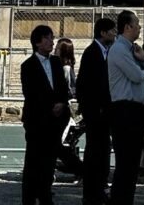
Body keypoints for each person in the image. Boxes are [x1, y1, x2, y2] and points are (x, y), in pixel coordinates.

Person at [107, 10, 144, 205]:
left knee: (132, 163)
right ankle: (120, 200)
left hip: (136, 110)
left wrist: (143, 60)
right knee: (126, 163)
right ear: (127, 27)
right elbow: (137, 75)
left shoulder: (132, 49)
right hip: (124, 110)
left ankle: (126, 199)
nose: (139, 27)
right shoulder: (118, 49)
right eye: (137, 23)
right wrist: (142, 70)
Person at [21, 24, 71, 205]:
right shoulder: (28, 66)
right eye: (47, 38)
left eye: (52, 38)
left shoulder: (56, 62)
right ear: (37, 42)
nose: (52, 41)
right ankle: (29, 198)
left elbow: (63, 88)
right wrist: (51, 105)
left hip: (55, 122)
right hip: (37, 121)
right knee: (33, 163)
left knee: (49, 163)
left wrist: (62, 103)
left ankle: (45, 196)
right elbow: (31, 94)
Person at [77, 17, 117, 205]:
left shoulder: (108, 52)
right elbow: (85, 85)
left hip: (106, 111)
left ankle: (100, 187)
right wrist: (91, 110)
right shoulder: (91, 53)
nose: (114, 34)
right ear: (103, 33)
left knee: (103, 151)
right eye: (111, 31)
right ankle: (91, 191)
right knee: (95, 151)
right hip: (95, 112)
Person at [54, 37, 84, 178]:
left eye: (58, 49)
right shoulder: (62, 67)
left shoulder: (65, 68)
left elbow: (68, 90)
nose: (55, 50)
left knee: (61, 141)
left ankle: (79, 169)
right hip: (69, 108)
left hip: (69, 109)